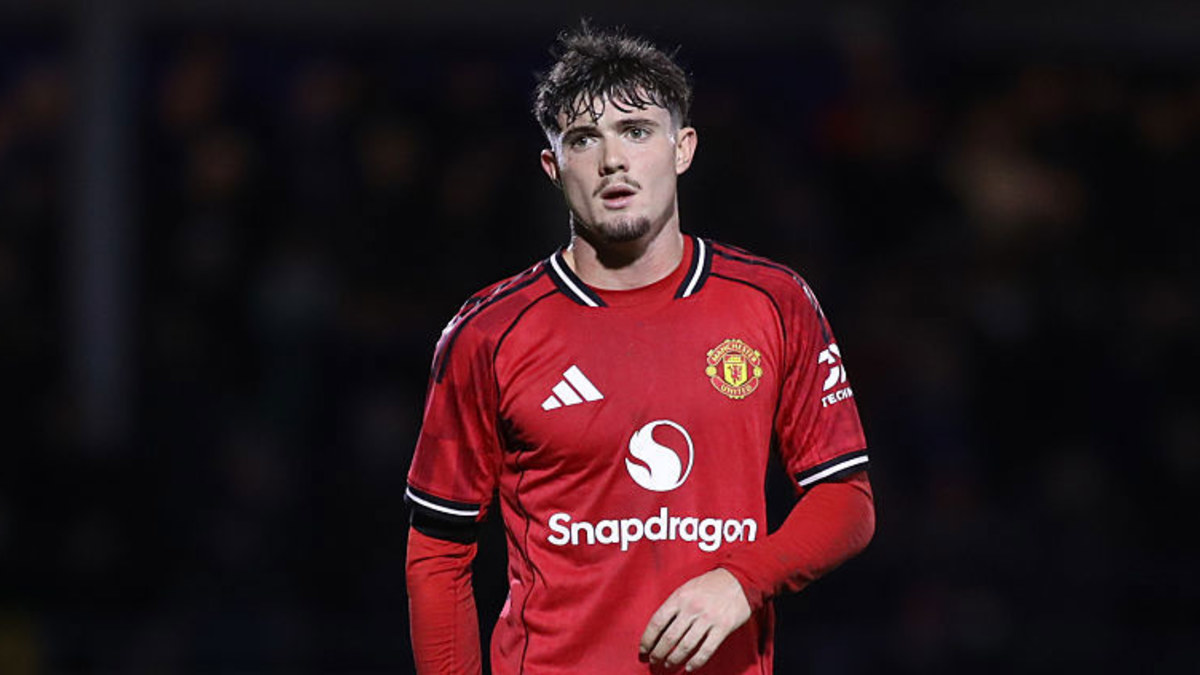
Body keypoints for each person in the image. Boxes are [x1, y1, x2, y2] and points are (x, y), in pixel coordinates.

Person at [405, 24, 875, 675]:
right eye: (583, 139)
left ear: (682, 149)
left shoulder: (774, 303)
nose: (612, 160)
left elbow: (846, 499)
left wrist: (742, 579)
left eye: (636, 130)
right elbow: (438, 549)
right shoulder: (489, 333)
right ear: (553, 167)